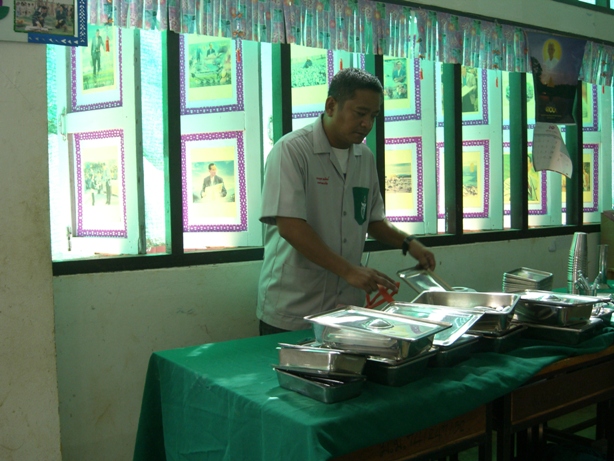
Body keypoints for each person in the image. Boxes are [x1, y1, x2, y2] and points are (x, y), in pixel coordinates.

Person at [257, 67, 436, 335]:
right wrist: (349, 271)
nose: (367, 124)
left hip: (346, 309)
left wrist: (409, 243)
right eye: (360, 113)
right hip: (293, 306)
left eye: (373, 116)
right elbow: (290, 226)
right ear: (331, 105)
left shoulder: (365, 158)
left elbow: (372, 220)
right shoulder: (291, 151)